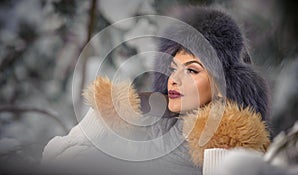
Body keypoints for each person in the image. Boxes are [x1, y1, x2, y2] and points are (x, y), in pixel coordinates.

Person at [42, 6, 270, 175]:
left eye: (191, 71)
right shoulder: (147, 124)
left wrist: (222, 141)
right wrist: (105, 118)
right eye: (173, 68)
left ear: (222, 87)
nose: (175, 80)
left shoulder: (233, 146)